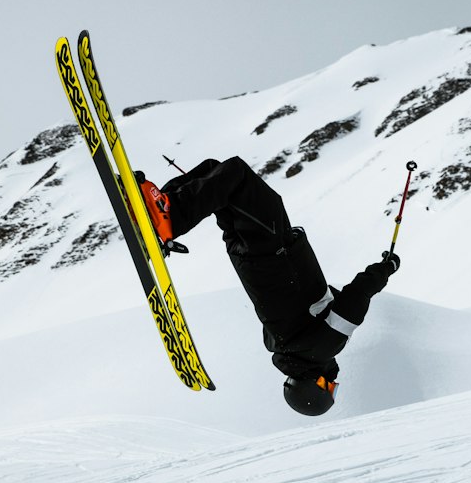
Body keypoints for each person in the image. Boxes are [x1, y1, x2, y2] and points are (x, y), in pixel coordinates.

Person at [138, 157, 399, 416]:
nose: (332, 382)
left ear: (314, 385)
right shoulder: (281, 346)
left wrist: (385, 269)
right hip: (249, 257)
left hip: (272, 248)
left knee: (236, 174)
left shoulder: (325, 347)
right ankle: (158, 205)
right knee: (214, 172)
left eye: (327, 387)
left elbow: (357, 296)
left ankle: (168, 218)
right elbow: (313, 303)